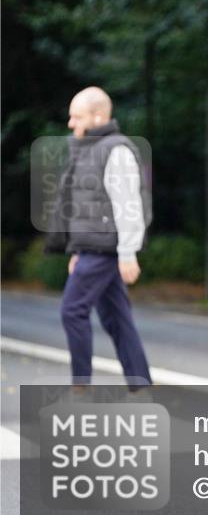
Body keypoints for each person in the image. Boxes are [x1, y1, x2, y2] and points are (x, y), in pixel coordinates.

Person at [45, 87, 153, 392]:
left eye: (76, 116)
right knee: (116, 317)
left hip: (106, 250)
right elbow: (87, 210)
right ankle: (140, 384)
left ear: (98, 116)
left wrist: (128, 253)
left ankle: (80, 386)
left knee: (72, 310)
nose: (70, 123)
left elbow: (128, 204)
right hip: (95, 248)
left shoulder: (115, 150)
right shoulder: (86, 149)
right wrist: (78, 249)